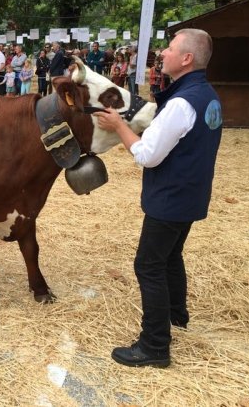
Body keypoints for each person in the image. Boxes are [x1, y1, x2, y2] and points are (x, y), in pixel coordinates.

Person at [95, 28, 222, 368]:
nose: (162, 53)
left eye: (169, 49)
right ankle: (177, 316)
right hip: (191, 196)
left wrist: (119, 126)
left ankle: (154, 346)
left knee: (148, 265)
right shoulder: (207, 95)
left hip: (171, 199)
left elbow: (148, 155)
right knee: (169, 257)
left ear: (186, 59)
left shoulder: (182, 103)